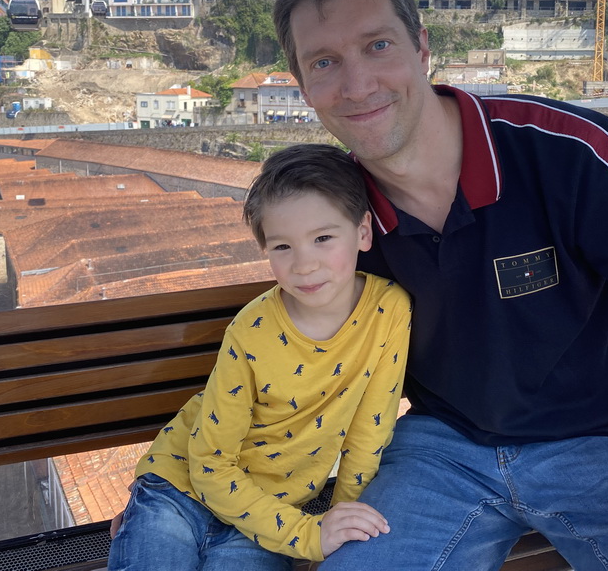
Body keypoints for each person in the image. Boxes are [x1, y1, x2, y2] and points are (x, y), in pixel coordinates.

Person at [270, 0, 608, 571]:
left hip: (602, 445)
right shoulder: (336, 216)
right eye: (325, 62)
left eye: (377, 46)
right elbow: (287, 374)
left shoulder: (567, 154)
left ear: (422, 48)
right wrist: (179, 495)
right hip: (439, 451)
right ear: (303, 87)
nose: (357, 84)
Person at [108, 143, 412, 569]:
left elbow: (369, 433)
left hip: (271, 509)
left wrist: (338, 524)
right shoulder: (252, 330)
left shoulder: (389, 311)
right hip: (180, 488)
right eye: (282, 247)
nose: (304, 264)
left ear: (363, 231)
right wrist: (308, 535)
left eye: (323, 238)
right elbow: (210, 463)